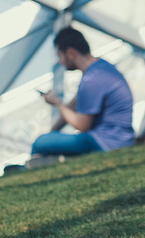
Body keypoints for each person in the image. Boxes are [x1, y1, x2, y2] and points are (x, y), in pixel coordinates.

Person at [31, 27, 135, 159]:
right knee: (47, 139)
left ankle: (31, 168)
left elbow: (83, 126)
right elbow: (74, 104)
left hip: (104, 142)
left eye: (60, 56)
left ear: (71, 53)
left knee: (40, 143)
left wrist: (57, 103)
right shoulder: (100, 67)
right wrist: (52, 133)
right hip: (120, 139)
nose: (61, 62)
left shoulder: (92, 80)